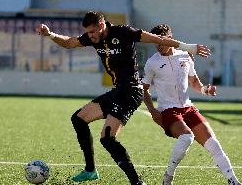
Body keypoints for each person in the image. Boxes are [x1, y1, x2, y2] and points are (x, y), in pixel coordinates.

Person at [36, 12, 210, 185]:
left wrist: (188, 47)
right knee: (78, 119)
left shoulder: (124, 32)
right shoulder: (92, 38)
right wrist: (50, 35)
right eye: (88, 33)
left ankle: (137, 182)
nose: (90, 36)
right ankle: (90, 171)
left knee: (107, 138)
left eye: (93, 32)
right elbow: (68, 42)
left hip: (131, 92)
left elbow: (158, 39)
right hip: (118, 91)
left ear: (102, 25)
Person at [142, 24, 242, 185]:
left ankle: (234, 181)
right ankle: (168, 176)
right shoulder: (151, 63)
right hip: (168, 110)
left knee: (214, 144)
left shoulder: (185, 55)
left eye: (162, 41)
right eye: (156, 42)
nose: (159, 46)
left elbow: (194, 82)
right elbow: (144, 89)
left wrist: (205, 90)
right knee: (186, 138)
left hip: (188, 108)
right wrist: (153, 111)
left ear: (171, 38)